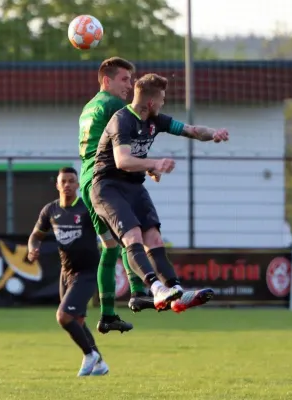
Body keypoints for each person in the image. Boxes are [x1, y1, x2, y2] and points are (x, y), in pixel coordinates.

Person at [91, 73, 228, 311]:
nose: (164, 103)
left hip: (133, 185)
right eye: (162, 99)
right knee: (133, 235)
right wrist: (154, 164)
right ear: (151, 103)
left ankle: (175, 290)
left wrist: (213, 133)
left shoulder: (156, 120)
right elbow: (122, 160)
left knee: (153, 237)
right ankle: (156, 289)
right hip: (108, 186)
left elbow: (192, 130)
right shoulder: (122, 120)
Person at [78, 57, 154, 335]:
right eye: (124, 79)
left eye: (131, 79)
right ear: (106, 81)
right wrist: (150, 164)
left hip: (88, 178)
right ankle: (137, 293)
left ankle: (108, 314)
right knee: (129, 235)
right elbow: (136, 128)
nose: (130, 85)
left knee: (111, 247)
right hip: (104, 180)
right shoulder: (112, 105)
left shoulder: (89, 107)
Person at [27, 167, 108, 376]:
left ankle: (90, 354)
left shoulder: (86, 209)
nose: (67, 185)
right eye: (63, 181)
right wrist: (32, 248)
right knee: (77, 321)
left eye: (72, 181)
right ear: (57, 184)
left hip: (88, 271)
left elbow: (107, 231)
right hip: (67, 273)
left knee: (64, 316)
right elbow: (36, 235)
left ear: (78, 184)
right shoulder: (50, 210)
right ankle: (100, 363)